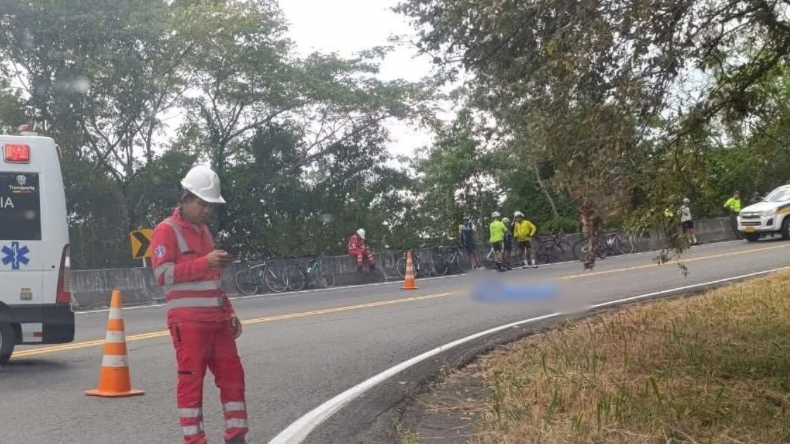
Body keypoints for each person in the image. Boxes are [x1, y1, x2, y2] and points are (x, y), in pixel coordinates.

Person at [151, 165, 248, 444]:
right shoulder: (165, 231)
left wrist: (229, 311)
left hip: (217, 321)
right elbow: (163, 275)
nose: (207, 210)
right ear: (187, 198)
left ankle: (237, 437)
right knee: (191, 384)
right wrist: (205, 262)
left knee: (233, 377)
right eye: (203, 204)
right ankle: (195, 440)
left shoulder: (205, 232)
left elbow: (213, 279)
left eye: (211, 206)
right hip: (189, 323)